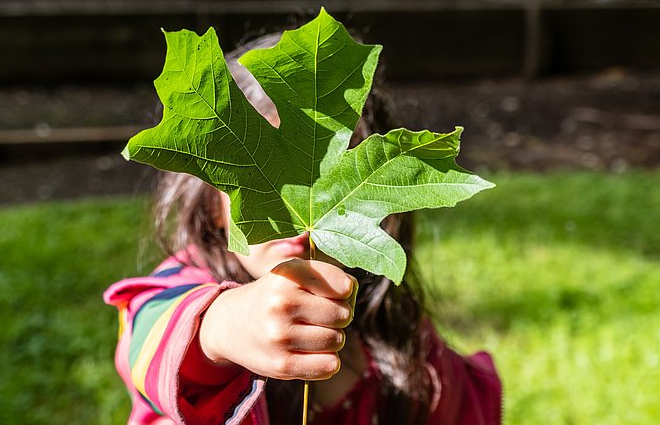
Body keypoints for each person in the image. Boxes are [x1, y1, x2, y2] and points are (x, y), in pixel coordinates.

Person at [104, 33, 502, 425]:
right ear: (211, 203)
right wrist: (221, 329)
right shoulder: (181, 287)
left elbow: (463, 405)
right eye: (265, 181)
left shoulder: (393, 327)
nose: (295, 202)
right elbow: (148, 338)